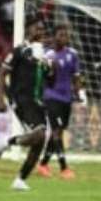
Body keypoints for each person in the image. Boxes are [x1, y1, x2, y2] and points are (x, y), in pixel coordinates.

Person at [0, 17, 54, 191]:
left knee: (40, 141)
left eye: (42, 29)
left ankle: (20, 180)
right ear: (28, 30)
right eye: (37, 28)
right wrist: (0, 99)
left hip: (38, 101)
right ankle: (6, 142)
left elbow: (50, 81)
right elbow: (1, 73)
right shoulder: (19, 51)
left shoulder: (42, 54)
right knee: (40, 134)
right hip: (22, 99)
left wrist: (51, 68)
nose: (40, 32)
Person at [36, 25, 81, 180]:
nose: (65, 38)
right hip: (51, 96)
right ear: (55, 37)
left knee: (59, 132)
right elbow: (43, 76)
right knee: (56, 131)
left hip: (66, 98)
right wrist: (48, 69)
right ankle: (64, 168)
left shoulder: (73, 54)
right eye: (61, 35)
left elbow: (76, 77)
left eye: (66, 35)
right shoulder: (48, 56)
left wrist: (78, 93)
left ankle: (43, 164)